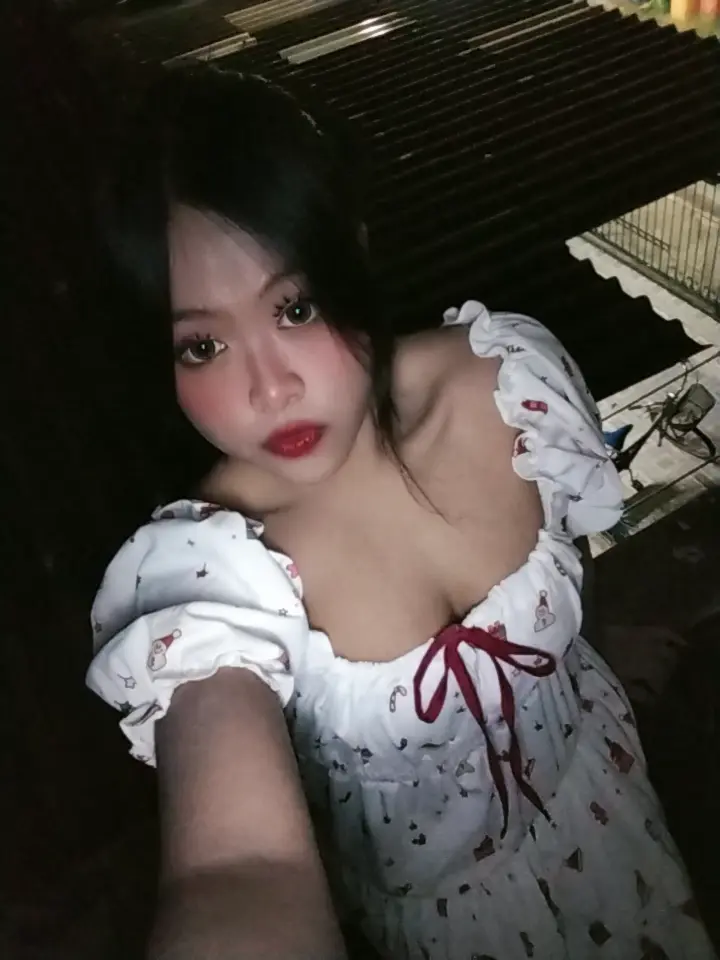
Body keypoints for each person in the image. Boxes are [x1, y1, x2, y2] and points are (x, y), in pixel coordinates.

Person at [86, 64, 714, 960]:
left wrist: (594, 655)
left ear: (354, 250)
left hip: (609, 811)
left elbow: (573, 554)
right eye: (204, 344)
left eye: (295, 307)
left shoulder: (511, 384)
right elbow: (239, 870)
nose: (270, 388)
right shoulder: (212, 571)